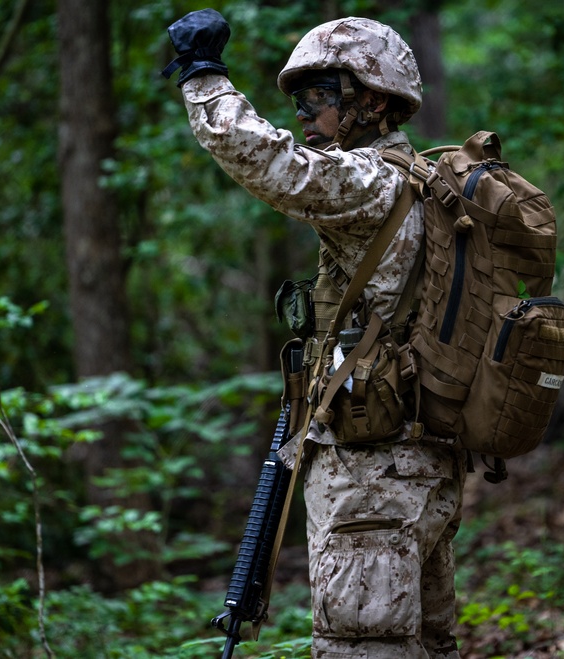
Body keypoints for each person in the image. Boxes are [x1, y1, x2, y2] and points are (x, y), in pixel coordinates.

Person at [164, 10, 466, 659]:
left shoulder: (372, 183)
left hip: (372, 478)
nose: (303, 112)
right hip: (424, 463)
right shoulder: (425, 186)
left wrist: (204, 78)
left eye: (320, 96)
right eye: (299, 98)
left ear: (374, 102)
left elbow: (274, 164)